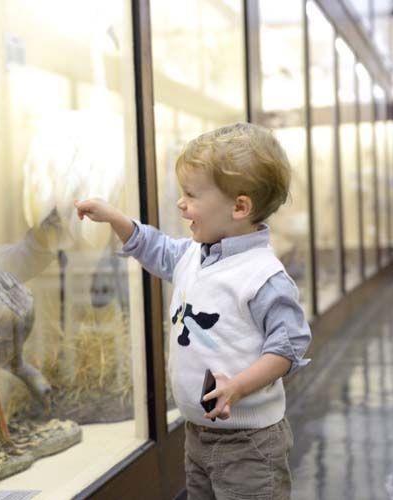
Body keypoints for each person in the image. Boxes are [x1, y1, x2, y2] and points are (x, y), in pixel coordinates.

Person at [75, 122, 311, 500]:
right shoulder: (192, 256)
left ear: (239, 206)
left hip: (249, 444)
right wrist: (116, 218)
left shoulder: (263, 275)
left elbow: (288, 345)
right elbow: (154, 247)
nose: (181, 204)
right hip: (197, 435)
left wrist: (238, 386)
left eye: (191, 194)